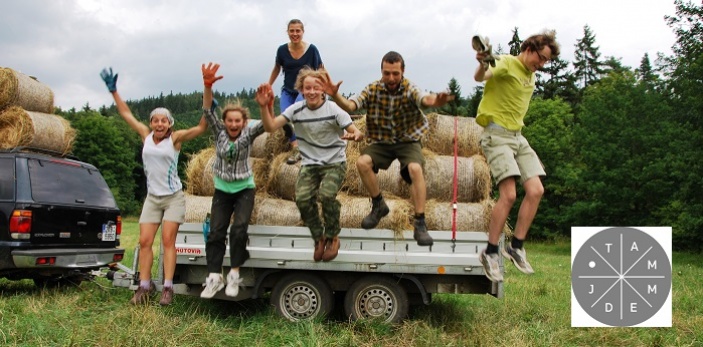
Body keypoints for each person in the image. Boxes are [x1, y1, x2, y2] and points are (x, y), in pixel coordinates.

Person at [99, 67, 208, 306]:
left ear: (170, 123)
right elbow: (126, 114)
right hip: (152, 198)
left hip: (173, 198)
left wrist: (207, 89)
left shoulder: (176, 139)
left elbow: (201, 127)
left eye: (164, 120)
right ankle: (144, 286)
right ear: (151, 123)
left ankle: (167, 288)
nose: (159, 124)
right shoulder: (145, 136)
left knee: (168, 241)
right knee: (145, 241)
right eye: (155, 120)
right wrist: (114, 91)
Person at [321, 51, 454, 247]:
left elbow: (424, 100)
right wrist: (335, 95)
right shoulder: (373, 89)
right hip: (382, 142)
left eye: (395, 74)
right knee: (362, 162)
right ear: (381, 71)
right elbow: (351, 106)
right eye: (386, 73)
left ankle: (420, 222)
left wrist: (435, 101)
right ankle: (378, 205)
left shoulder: (409, 88)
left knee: (415, 169)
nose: (391, 78)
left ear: (403, 72)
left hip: (408, 140)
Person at [472, 30, 560, 283]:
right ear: (529, 48)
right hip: (496, 135)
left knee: (536, 190)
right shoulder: (506, 63)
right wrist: (481, 63)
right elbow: (482, 77)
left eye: (546, 61)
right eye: (540, 58)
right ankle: (489, 253)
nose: (541, 65)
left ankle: (516, 247)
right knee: (509, 194)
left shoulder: (530, 74)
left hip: (517, 136)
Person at [256, 68, 362, 262]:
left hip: (334, 162)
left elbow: (354, 130)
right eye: (307, 88)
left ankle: (333, 236)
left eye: (316, 87)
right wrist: (264, 107)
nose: (312, 91)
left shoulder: (334, 110)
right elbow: (271, 126)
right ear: (301, 91)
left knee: (327, 195)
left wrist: (355, 134)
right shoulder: (296, 110)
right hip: (310, 164)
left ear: (323, 90)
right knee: (303, 199)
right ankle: (318, 237)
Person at [199, 63, 267, 299]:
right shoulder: (219, 132)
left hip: (244, 189)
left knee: (238, 230)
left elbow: (268, 125)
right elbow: (208, 111)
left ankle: (234, 275)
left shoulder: (249, 134)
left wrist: (265, 105)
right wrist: (207, 86)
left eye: (238, 121)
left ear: (244, 123)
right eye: (230, 121)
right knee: (216, 232)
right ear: (225, 121)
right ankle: (214, 277)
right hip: (222, 190)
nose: (234, 124)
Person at [268, 18, 324, 165]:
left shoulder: (312, 50)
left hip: (304, 90)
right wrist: (268, 85)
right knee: (286, 119)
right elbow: (277, 68)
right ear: (287, 32)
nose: (295, 34)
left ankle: (302, 147)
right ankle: (296, 147)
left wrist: (326, 87)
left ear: (303, 32)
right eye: (292, 31)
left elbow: (321, 68)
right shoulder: (282, 50)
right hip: (287, 90)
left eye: (297, 30)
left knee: (296, 113)